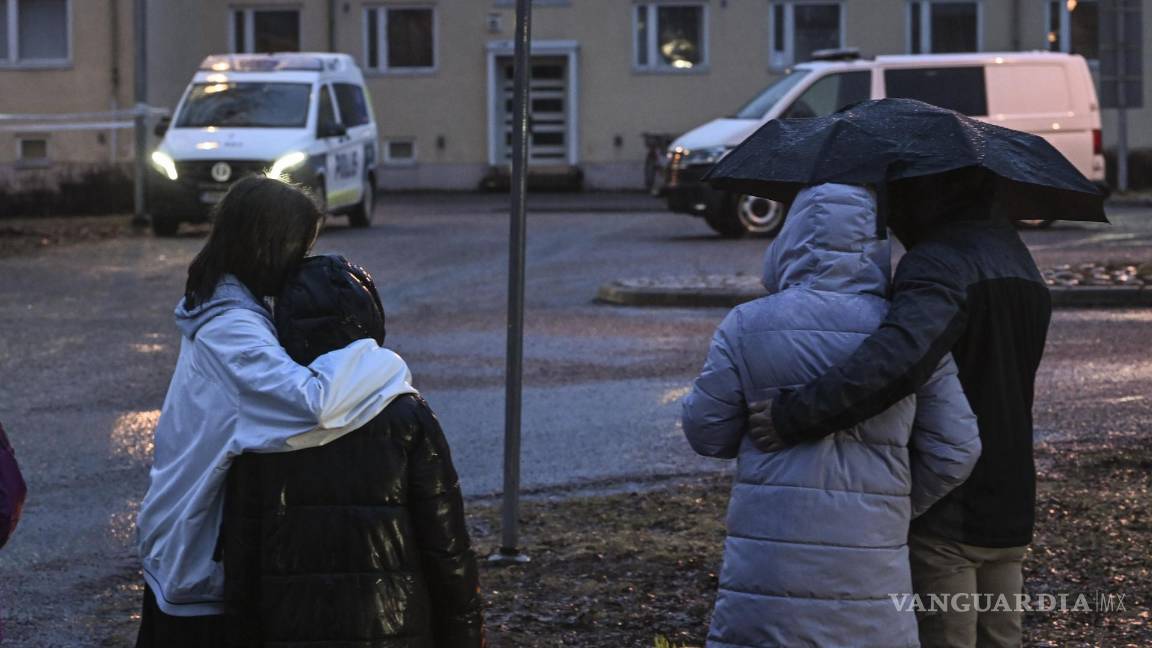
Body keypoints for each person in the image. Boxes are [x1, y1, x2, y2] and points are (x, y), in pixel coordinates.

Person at [747, 168, 1052, 647]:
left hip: (949, 510)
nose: (890, 212)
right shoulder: (1018, 260)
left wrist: (795, 415)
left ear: (935, 193)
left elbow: (897, 359)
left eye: (901, 193)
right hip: (1010, 503)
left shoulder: (940, 265)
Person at [682, 183, 981, 648]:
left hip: (765, 574)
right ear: (877, 245)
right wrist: (893, 501)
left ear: (791, 238)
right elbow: (957, 449)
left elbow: (706, 433)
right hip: (871, 567)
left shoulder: (746, 325)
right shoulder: (906, 334)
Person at [135, 177, 417, 647]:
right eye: (300, 246)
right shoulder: (232, 330)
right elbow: (311, 404)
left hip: (191, 543)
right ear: (270, 244)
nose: (302, 261)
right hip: (197, 556)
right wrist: (379, 362)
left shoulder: (223, 306)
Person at [220, 255, 484, 647]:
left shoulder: (264, 419)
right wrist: (463, 633)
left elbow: (240, 554)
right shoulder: (408, 415)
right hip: (395, 627)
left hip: (288, 628)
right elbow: (445, 547)